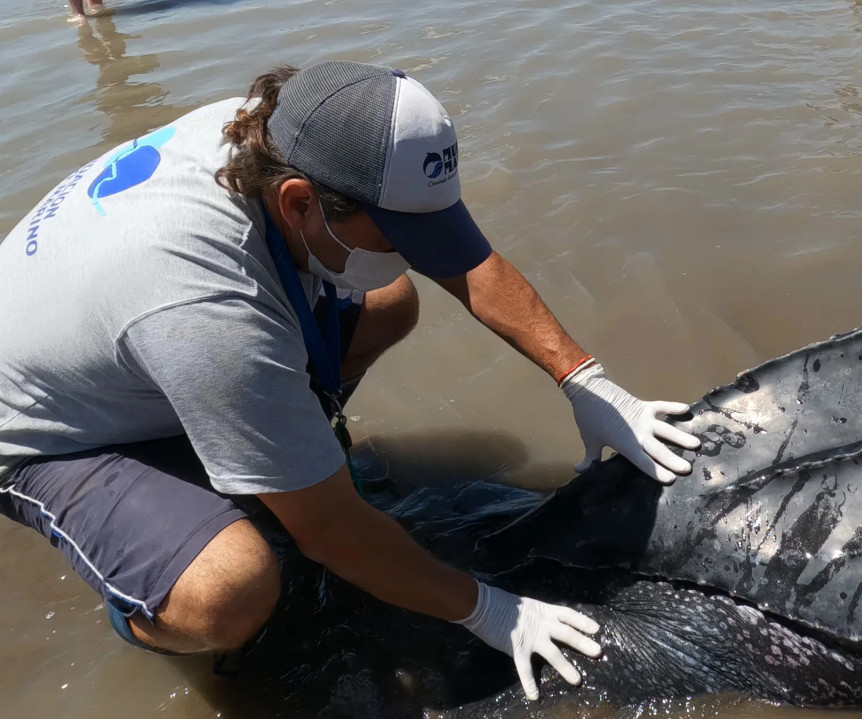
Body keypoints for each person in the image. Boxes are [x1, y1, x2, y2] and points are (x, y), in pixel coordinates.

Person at [0, 61, 701, 700]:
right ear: (300, 203)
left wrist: (586, 379)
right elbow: (335, 537)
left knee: (389, 301)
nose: (419, 252)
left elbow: (467, 261)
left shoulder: (282, 131)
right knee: (233, 591)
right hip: (44, 430)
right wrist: (492, 609)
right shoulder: (205, 308)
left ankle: (271, 463)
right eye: (396, 234)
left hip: (134, 344)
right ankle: (147, 609)